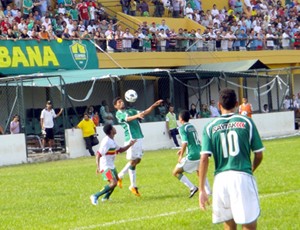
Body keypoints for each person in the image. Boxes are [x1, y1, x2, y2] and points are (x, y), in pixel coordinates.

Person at [198, 88, 264, 230]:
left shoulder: (210, 127)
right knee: (248, 222)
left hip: (221, 180)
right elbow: (259, 154)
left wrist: (202, 189)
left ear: (219, 106)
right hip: (241, 176)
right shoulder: (246, 122)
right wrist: (251, 168)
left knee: (228, 223)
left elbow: (204, 158)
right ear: (236, 103)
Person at [113, 97, 163, 196]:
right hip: (131, 138)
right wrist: (137, 116)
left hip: (139, 136)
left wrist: (153, 105)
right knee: (133, 161)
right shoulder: (118, 114)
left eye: (122, 101)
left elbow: (143, 113)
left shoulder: (131, 110)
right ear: (116, 106)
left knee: (137, 160)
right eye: (119, 102)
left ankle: (130, 184)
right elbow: (127, 119)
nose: (122, 102)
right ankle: (122, 177)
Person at [90, 124, 136, 205]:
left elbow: (120, 150)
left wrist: (130, 145)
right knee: (113, 182)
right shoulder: (106, 141)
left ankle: (105, 198)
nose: (115, 129)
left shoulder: (112, 140)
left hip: (111, 165)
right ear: (111, 131)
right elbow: (98, 154)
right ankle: (95, 196)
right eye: (113, 128)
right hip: (105, 166)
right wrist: (98, 167)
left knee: (116, 181)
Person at [172, 110, 211, 198]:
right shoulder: (192, 126)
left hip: (192, 155)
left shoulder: (182, 128)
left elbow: (185, 142)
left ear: (181, 119)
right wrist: (181, 150)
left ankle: (192, 187)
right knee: (200, 171)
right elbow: (192, 140)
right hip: (200, 152)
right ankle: (208, 191)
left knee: (176, 172)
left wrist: (181, 155)